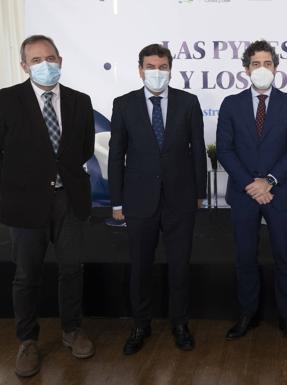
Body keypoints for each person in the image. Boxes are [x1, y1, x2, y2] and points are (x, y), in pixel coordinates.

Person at [0, 35, 95, 377]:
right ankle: (27, 340)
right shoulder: (6, 101)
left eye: (50, 57)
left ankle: (72, 330)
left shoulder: (80, 101)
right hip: (24, 203)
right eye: (36, 60)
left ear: (61, 59)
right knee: (26, 275)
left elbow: (83, 148)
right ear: (24, 66)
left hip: (68, 198)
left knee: (72, 268)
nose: (45, 64)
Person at [108, 43, 207, 355]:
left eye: (162, 67)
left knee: (179, 266)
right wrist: (117, 201)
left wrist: (200, 193)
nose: (157, 72)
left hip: (180, 199)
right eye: (150, 67)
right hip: (139, 201)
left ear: (170, 69)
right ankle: (141, 324)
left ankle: (180, 323)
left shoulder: (188, 102)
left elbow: (198, 150)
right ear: (140, 70)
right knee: (140, 266)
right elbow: (116, 155)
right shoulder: (123, 104)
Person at [216, 40, 287, 344]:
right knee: (244, 257)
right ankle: (247, 314)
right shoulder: (231, 104)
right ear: (246, 69)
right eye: (256, 63)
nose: (262, 69)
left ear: (276, 68)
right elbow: (225, 151)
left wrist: (269, 180)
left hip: (279, 192)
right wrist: (251, 184)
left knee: (285, 256)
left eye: (268, 63)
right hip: (244, 194)